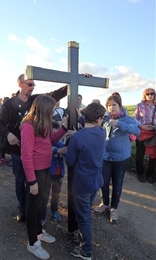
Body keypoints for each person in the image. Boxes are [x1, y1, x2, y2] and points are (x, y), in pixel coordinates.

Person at [0, 74, 68, 223]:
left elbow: (55, 95)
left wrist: (75, 80)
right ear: (20, 84)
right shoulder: (9, 104)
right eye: (29, 84)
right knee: (21, 180)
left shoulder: (36, 100)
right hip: (17, 150)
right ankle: (22, 208)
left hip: (35, 154)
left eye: (34, 85)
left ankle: (33, 211)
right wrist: (7, 134)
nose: (32, 87)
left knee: (34, 184)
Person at [20, 94, 68, 260]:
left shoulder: (44, 123)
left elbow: (51, 140)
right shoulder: (28, 126)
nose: (54, 112)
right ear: (43, 110)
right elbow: (25, 156)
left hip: (46, 168)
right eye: (52, 109)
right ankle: (32, 242)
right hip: (35, 172)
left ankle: (39, 232)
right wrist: (32, 180)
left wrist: (64, 128)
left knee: (42, 203)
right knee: (33, 207)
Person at [66, 102, 106, 260]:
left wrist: (72, 143)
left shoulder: (77, 137)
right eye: (102, 118)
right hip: (95, 181)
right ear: (98, 119)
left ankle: (86, 250)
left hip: (82, 183)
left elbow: (70, 161)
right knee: (86, 212)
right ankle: (83, 239)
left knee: (83, 217)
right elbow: (91, 126)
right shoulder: (102, 132)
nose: (102, 121)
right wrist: (83, 117)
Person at [94, 95, 140, 223]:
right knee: (103, 181)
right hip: (105, 156)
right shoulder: (105, 118)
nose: (111, 107)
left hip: (121, 157)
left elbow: (137, 131)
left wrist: (120, 124)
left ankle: (114, 208)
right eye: (109, 105)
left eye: (114, 105)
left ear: (119, 105)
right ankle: (105, 204)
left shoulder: (127, 119)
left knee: (117, 183)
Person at [41, 121, 67, 226]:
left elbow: (67, 154)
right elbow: (49, 149)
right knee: (44, 195)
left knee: (56, 194)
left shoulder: (61, 144)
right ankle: (41, 216)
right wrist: (58, 150)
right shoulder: (46, 144)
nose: (55, 137)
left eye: (57, 134)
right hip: (48, 173)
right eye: (53, 135)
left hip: (59, 174)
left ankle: (54, 211)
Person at [133, 88, 156, 183]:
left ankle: (149, 175)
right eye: (148, 94)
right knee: (140, 154)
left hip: (154, 132)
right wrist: (142, 126)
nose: (150, 95)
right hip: (141, 132)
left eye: (152, 93)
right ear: (144, 95)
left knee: (154, 155)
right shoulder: (139, 106)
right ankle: (140, 174)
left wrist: (153, 127)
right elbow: (135, 118)